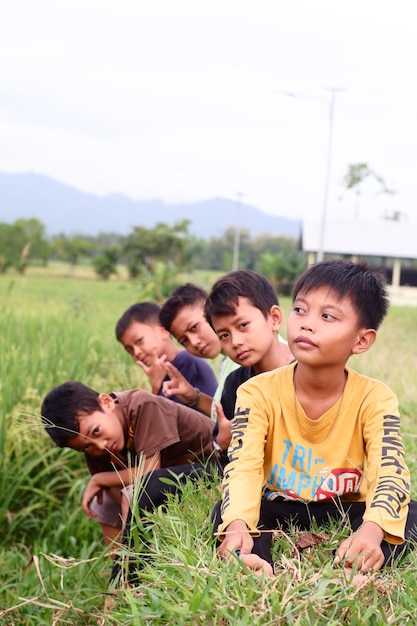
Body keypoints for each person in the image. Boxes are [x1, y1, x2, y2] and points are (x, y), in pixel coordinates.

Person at [213, 260, 417, 578]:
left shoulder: (375, 398)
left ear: (361, 340)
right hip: (279, 504)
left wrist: (373, 530)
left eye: (327, 316)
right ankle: (255, 565)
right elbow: (243, 466)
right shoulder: (256, 391)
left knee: (406, 513)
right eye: (300, 310)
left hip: (346, 506)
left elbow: (390, 473)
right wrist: (238, 522)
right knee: (230, 514)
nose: (306, 325)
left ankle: (357, 561)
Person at [40, 381, 217, 553]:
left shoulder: (142, 405)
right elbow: (111, 487)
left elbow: (149, 475)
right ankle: (121, 574)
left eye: (96, 431)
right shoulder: (96, 447)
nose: (100, 446)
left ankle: (132, 563)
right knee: (105, 505)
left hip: (213, 468)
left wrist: (100, 479)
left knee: (133, 495)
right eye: (85, 447)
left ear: (106, 402)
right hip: (171, 480)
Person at [204, 269, 292, 424]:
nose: (236, 342)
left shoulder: (306, 374)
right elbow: (224, 438)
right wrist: (222, 442)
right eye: (224, 335)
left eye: (243, 325)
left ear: (275, 318)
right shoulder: (235, 384)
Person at [159, 284, 239, 422]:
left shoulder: (245, 354)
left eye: (194, 327)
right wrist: (194, 397)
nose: (194, 342)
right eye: (184, 341)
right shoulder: (227, 361)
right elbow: (223, 416)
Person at [115, 301, 217, 407]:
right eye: (130, 350)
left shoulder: (185, 362)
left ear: (163, 331)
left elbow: (163, 418)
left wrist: (156, 385)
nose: (136, 352)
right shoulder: (166, 370)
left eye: (139, 341)